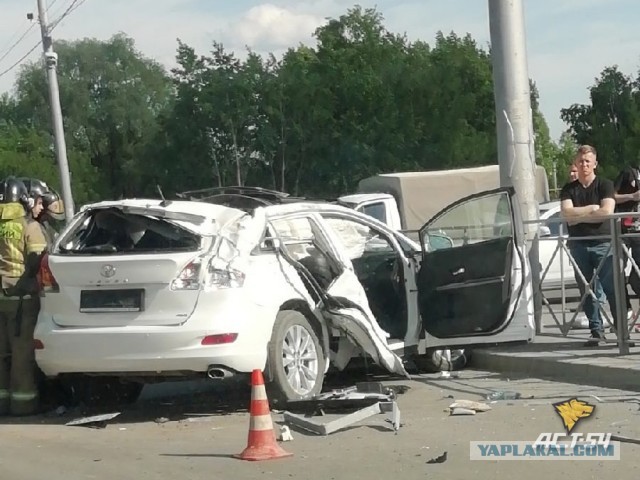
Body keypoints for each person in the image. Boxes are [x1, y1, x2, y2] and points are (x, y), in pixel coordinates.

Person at [560, 145, 619, 346]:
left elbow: (607, 212)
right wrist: (592, 209)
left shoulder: (605, 185)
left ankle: (621, 331)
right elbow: (567, 215)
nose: (584, 165)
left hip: (604, 243)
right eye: (581, 161)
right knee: (587, 290)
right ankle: (596, 332)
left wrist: (580, 216)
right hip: (578, 245)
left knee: (613, 288)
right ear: (576, 163)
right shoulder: (569, 189)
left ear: (595, 164)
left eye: (588, 161)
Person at [0, 176, 48, 415]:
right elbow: (36, 258)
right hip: (22, 300)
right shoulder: (29, 225)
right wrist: (27, 282)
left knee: (1, 354)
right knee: (22, 355)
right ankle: (23, 405)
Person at [613, 165, 640, 332]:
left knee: (637, 277)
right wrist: (632, 196)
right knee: (618, 272)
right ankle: (625, 311)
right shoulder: (629, 172)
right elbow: (612, 197)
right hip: (625, 229)